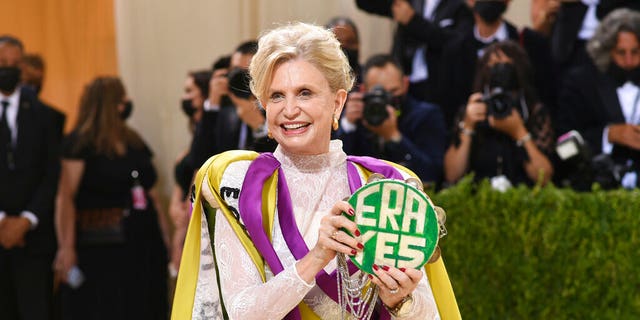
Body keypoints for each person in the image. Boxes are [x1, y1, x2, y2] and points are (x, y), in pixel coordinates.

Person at [172, 22, 459, 319]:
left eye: (305, 93)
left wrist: (401, 302)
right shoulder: (241, 184)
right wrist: (318, 256)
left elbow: (431, 313)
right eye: (277, 96)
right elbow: (242, 313)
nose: (290, 109)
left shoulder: (383, 185)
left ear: (338, 102)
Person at [53, 76, 170, 319]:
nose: (126, 103)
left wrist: (166, 238)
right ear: (108, 104)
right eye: (120, 99)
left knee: (146, 303)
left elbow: (151, 193)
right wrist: (66, 247)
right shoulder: (79, 144)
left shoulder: (133, 140)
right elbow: (65, 197)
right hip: (102, 244)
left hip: (143, 239)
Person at [0, 35, 62, 320]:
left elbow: (51, 175)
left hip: (34, 238)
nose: (9, 69)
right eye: (2, 63)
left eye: (15, 64)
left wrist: (26, 220)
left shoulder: (47, 116)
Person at [444, 41, 554, 187]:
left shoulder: (533, 112)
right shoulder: (473, 110)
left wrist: (519, 133)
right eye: (493, 66)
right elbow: (452, 176)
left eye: (506, 66)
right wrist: (468, 126)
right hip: (478, 198)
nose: (500, 72)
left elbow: (544, 178)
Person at [557, 8, 640, 189]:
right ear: (607, 51)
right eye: (621, 53)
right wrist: (608, 135)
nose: (628, 61)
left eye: (635, 52)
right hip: (598, 185)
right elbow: (564, 138)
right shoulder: (581, 82)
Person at [337, 54, 446, 185]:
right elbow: (337, 169)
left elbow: (432, 173)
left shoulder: (426, 115)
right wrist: (348, 125)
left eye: (393, 92)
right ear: (363, 90)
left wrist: (394, 137)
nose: (386, 100)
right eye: (378, 93)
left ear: (405, 84)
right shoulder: (357, 115)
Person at [355, 0, 473, 106]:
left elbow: (456, 45)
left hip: (438, 86)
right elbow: (366, 3)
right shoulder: (411, 2)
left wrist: (413, 21)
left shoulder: (460, 7)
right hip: (404, 80)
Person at [169, 69, 213, 275]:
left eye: (189, 91)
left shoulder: (211, 130)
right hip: (183, 219)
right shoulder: (195, 130)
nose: (184, 97)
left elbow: (198, 172)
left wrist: (186, 215)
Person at [326, 16, 363, 84]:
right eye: (338, 43)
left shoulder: (367, 76)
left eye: (350, 42)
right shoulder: (317, 77)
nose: (345, 47)